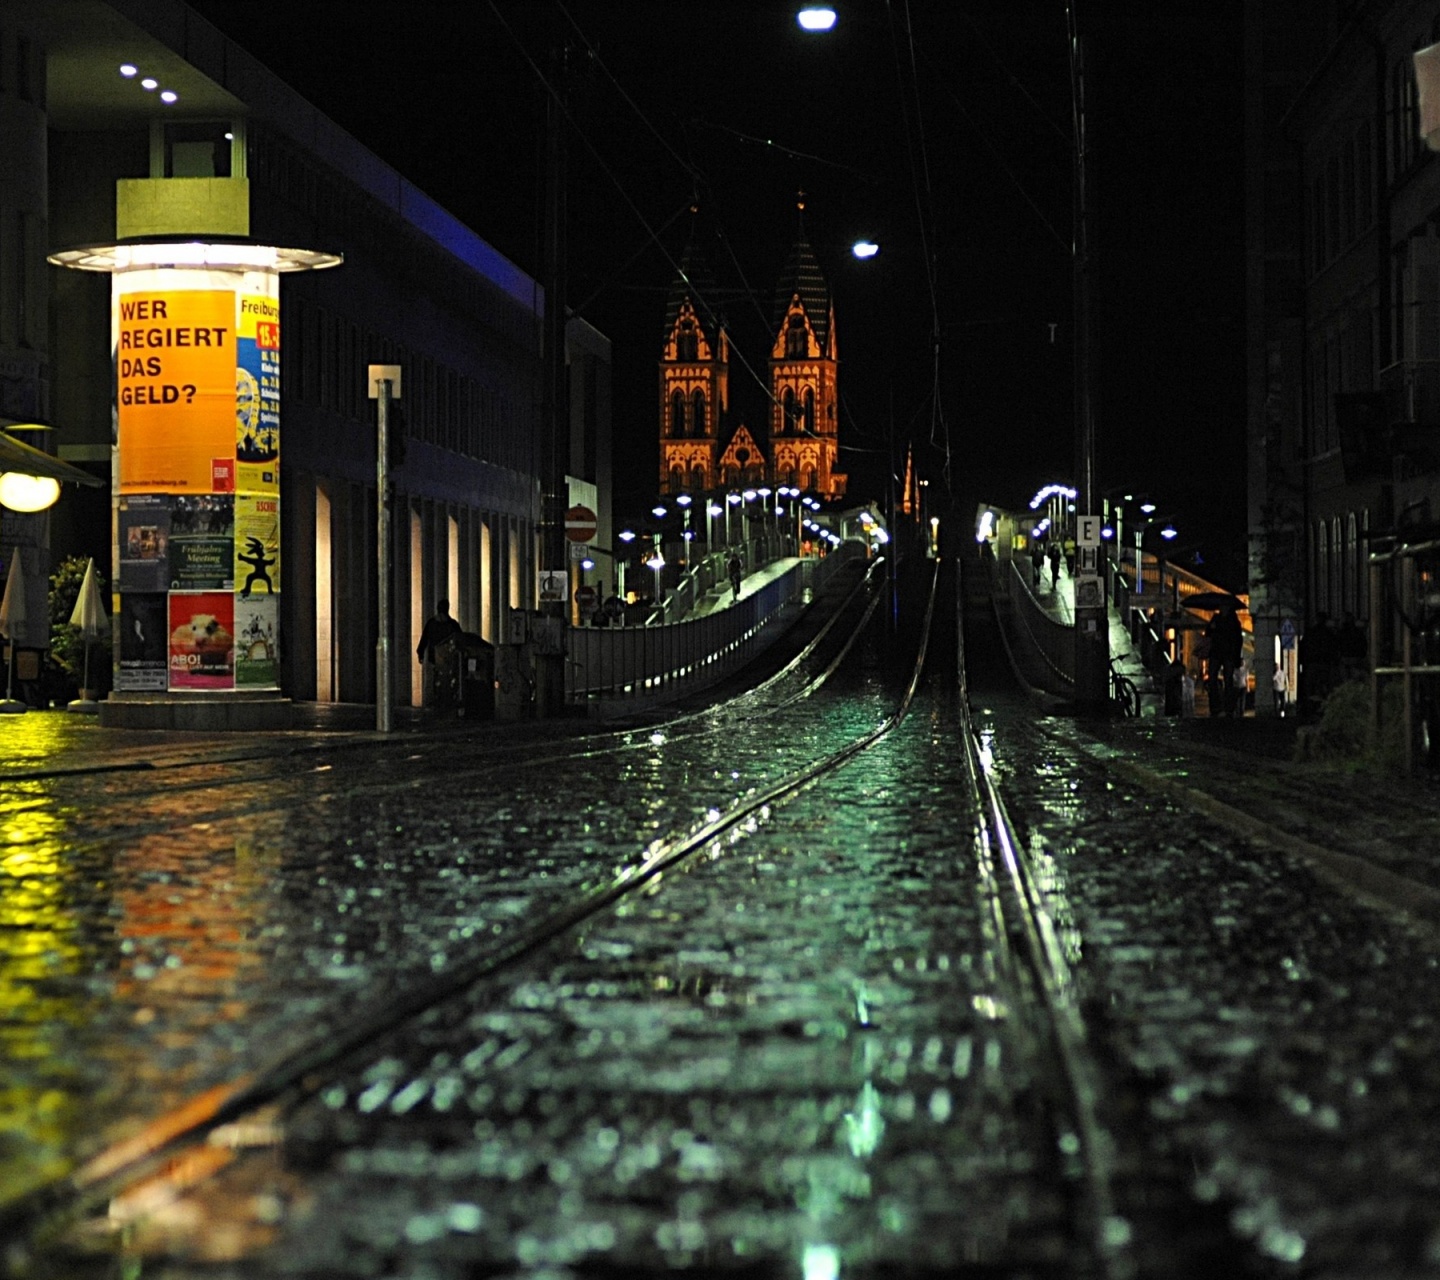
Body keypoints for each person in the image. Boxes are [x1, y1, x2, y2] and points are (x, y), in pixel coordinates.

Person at [1205, 601, 1243, 717]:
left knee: (1228, 679)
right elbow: (1208, 633)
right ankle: (1217, 705)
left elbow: (1238, 640)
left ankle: (1227, 706)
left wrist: (1236, 656)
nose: (1222, 608)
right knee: (1213, 678)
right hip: (1218, 652)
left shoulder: (1233, 622)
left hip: (1228, 653)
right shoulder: (1217, 619)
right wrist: (1211, 629)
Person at [416, 598, 462, 665]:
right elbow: (460, 639)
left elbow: (424, 640)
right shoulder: (453, 624)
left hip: (435, 657)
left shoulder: (431, 623)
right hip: (448, 658)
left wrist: (421, 654)